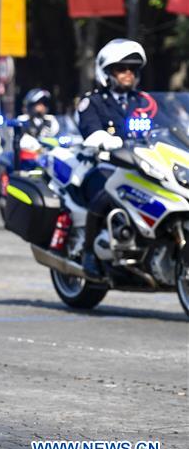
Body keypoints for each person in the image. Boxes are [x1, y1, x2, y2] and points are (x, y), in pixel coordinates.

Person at [77, 38, 154, 277]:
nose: (128, 74)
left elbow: (165, 126)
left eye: (132, 69)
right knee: (106, 194)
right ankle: (89, 252)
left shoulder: (143, 102)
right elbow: (90, 130)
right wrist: (104, 139)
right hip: (104, 165)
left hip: (141, 165)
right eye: (122, 69)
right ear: (107, 72)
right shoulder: (93, 101)